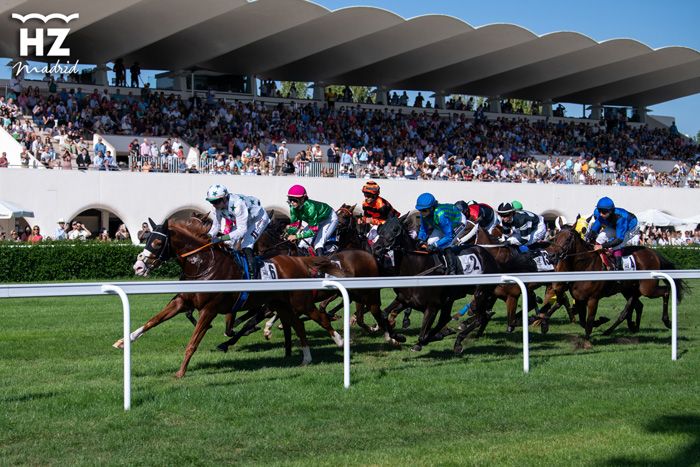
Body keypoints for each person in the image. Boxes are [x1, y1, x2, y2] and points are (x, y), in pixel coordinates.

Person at [206, 184, 270, 278]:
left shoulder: (237, 204)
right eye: (212, 202)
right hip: (244, 221)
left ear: (224, 198)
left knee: (246, 244)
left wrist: (221, 238)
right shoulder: (216, 207)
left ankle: (253, 276)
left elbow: (242, 231)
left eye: (216, 201)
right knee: (229, 244)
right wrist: (208, 236)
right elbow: (216, 225)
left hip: (258, 219)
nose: (214, 205)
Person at [415, 193, 466, 275]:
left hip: (458, 222)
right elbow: (423, 229)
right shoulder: (423, 214)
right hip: (442, 225)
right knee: (430, 242)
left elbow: (448, 237)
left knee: (446, 245)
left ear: (431, 208)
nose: (422, 213)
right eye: (420, 210)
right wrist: (420, 239)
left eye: (424, 210)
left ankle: (452, 270)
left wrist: (436, 245)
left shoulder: (440, 215)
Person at [584, 197, 639, 270]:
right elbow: (593, 231)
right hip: (615, 226)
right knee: (600, 237)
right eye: (599, 210)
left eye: (603, 212)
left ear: (610, 211)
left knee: (616, 246)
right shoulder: (600, 214)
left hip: (631, 227)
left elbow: (619, 239)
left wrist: (602, 246)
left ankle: (618, 268)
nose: (600, 214)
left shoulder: (620, 218)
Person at [285, 185, 337, 256]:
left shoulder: (310, 208)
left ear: (303, 199)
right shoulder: (293, 208)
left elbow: (313, 231)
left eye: (295, 200)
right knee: (301, 244)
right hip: (317, 220)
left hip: (329, 219)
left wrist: (296, 236)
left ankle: (323, 266)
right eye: (290, 199)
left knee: (318, 244)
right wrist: (287, 234)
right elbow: (295, 225)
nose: (292, 202)